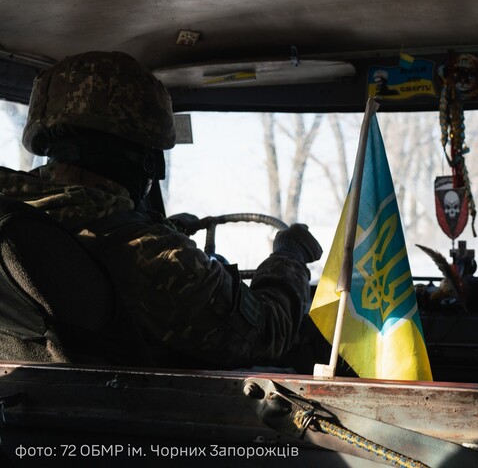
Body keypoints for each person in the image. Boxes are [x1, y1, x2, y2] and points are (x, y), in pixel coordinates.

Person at [0, 50, 322, 369]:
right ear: (145, 159)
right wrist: (289, 257)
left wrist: (162, 227)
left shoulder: (22, 217)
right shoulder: (159, 260)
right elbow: (266, 332)